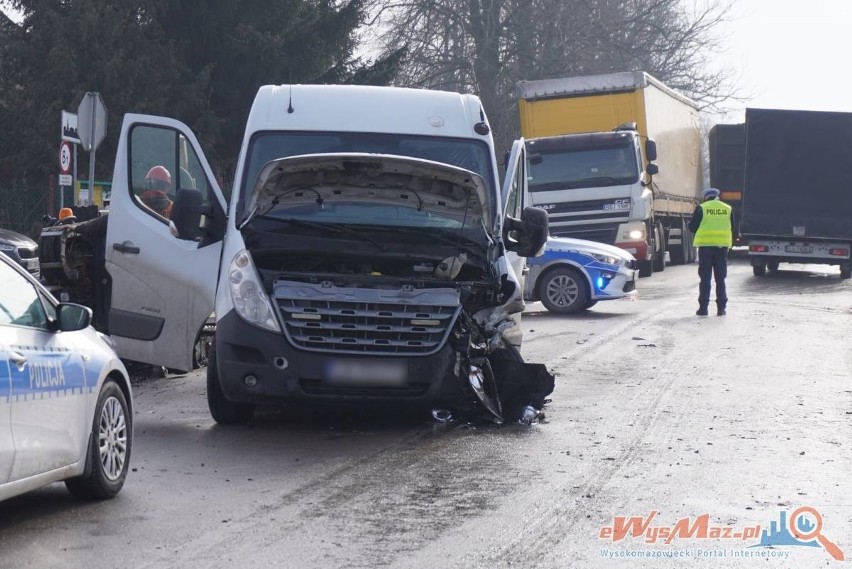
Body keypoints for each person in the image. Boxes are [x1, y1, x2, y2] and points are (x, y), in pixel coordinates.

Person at [688, 187, 733, 316]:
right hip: (721, 248)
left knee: (705, 279)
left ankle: (703, 308)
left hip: (705, 248)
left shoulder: (702, 208)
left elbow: (692, 227)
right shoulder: (727, 208)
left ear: (705, 197)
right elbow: (733, 228)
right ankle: (721, 309)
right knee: (720, 279)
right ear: (717, 196)